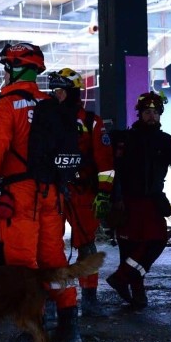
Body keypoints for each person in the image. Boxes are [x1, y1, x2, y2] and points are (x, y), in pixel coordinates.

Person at [0, 43, 81, 342]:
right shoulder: (51, 104)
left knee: (22, 263)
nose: (4, 73)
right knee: (54, 258)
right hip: (53, 192)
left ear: (13, 69)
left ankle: (33, 328)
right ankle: (70, 324)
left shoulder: (5, 106)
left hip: (21, 194)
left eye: (6, 67)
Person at [105, 91, 171, 309]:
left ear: (160, 115)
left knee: (155, 241)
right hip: (126, 202)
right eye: (147, 112)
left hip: (151, 202)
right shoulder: (124, 139)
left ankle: (122, 278)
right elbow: (112, 170)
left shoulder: (165, 141)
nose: (151, 116)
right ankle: (137, 294)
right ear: (140, 114)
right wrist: (113, 198)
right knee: (130, 249)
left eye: (155, 113)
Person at [48, 68, 115, 317]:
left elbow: (106, 163)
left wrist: (104, 193)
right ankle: (53, 298)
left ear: (72, 92)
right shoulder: (47, 119)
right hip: (53, 191)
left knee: (86, 245)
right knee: (50, 246)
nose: (56, 96)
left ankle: (89, 298)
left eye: (60, 91)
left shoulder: (91, 122)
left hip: (83, 193)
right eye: (54, 91)